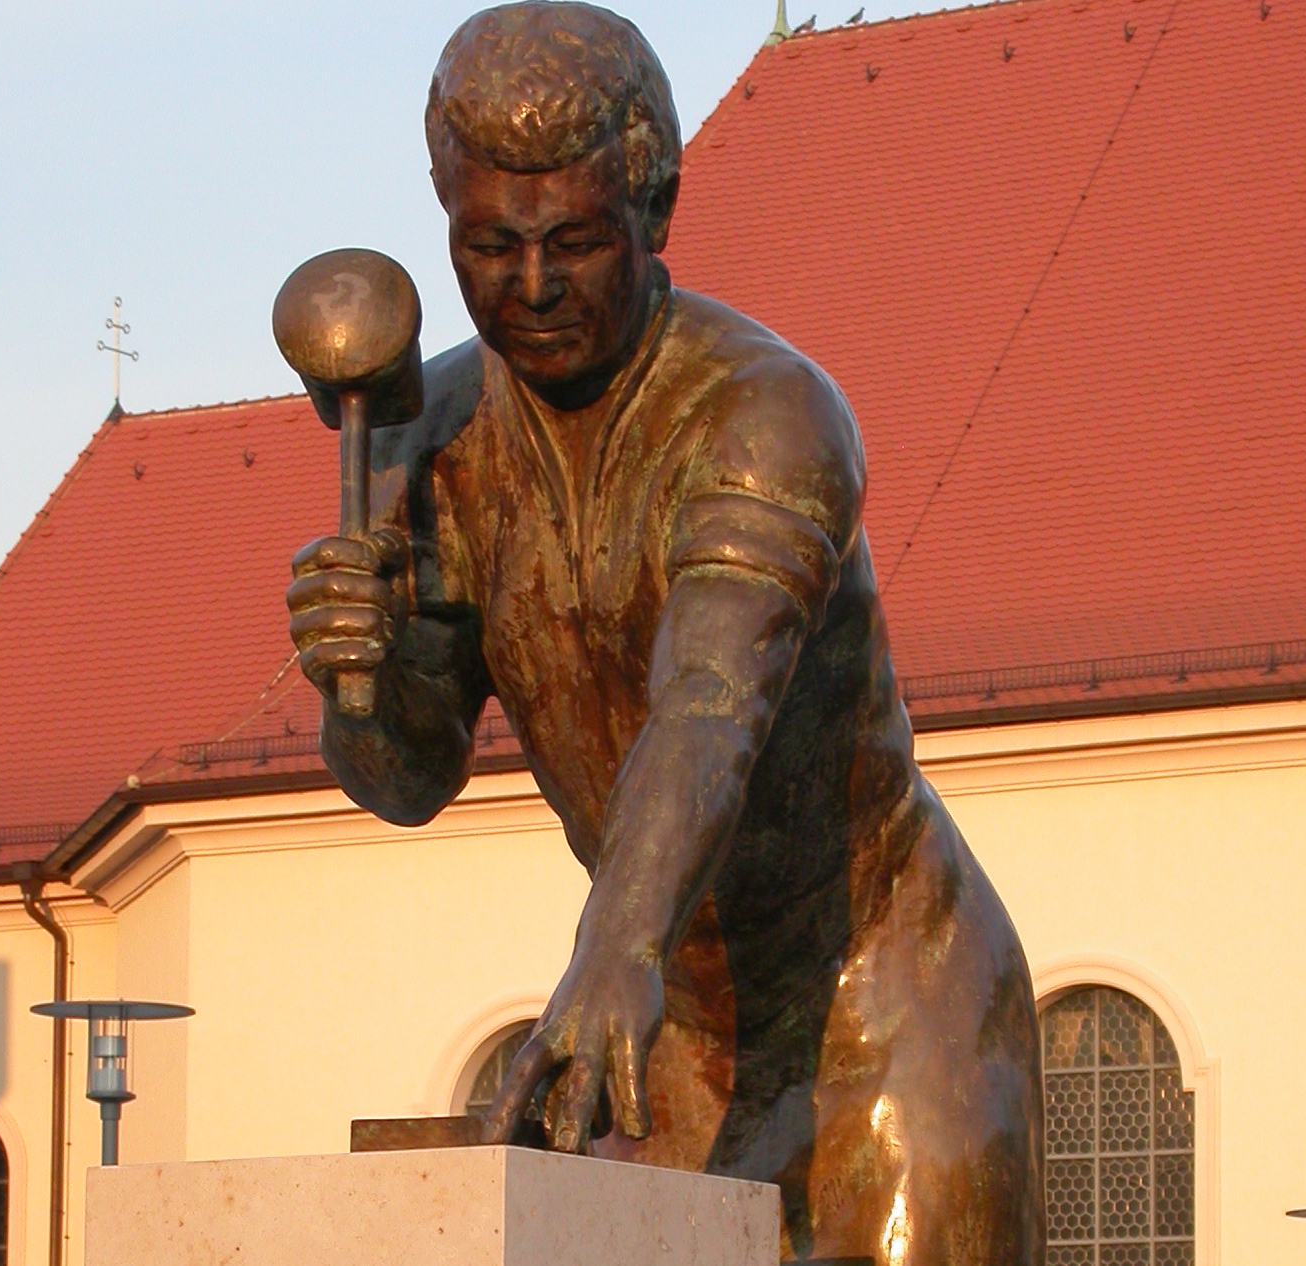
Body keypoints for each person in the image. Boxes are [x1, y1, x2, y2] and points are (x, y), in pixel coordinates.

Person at [286, 5, 1044, 1261]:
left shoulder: (767, 414)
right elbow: (409, 780)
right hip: (669, 1031)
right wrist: (357, 680)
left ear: (658, 204)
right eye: (489, 246)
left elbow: (709, 702)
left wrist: (613, 947)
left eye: (576, 242)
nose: (532, 287)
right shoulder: (433, 436)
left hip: (881, 1007)